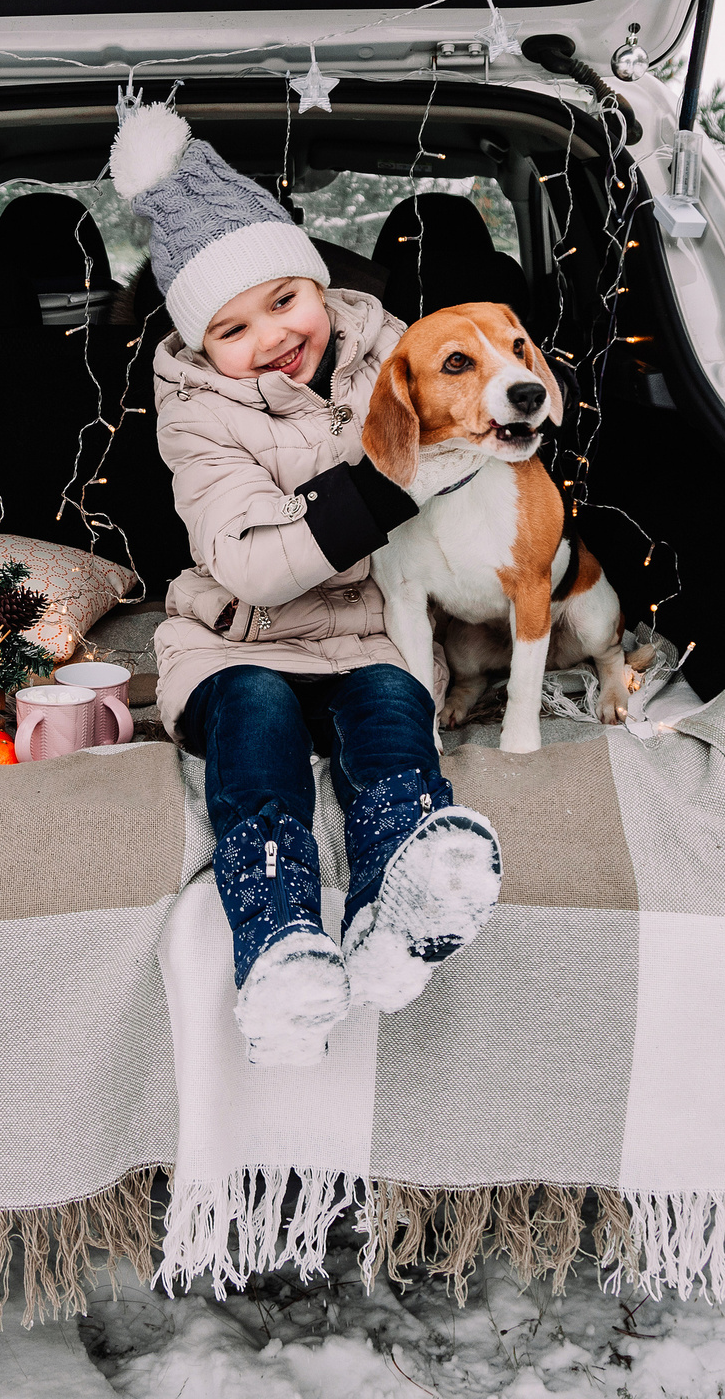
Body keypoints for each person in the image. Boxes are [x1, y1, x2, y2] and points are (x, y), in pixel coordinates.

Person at [113, 101, 503, 1067]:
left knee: (390, 710)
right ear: (201, 348)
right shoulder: (197, 415)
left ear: (319, 281)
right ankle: (277, 942)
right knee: (255, 726)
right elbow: (248, 560)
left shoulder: (397, 356)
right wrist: (389, 483)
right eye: (234, 327)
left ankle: (396, 905)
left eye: (285, 299)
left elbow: (477, 430)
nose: (274, 335)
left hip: (367, 632)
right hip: (233, 639)